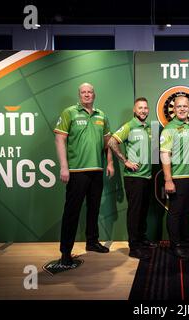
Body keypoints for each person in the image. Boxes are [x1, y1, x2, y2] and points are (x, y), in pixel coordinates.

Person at [54, 83, 114, 266]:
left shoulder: (101, 115)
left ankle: (92, 242)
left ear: (94, 95)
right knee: (71, 212)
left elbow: (108, 142)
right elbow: (59, 139)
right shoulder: (69, 112)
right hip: (76, 171)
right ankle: (65, 252)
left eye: (90, 92)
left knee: (94, 209)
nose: (87, 95)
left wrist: (110, 162)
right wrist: (64, 167)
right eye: (83, 92)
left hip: (96, 170)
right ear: (79, 95)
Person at [108, 97, 157, 260]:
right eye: (140, 108)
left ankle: (142, 240)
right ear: (134, 110)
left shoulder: (150, 128)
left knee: (143, 212)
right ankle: (134, 247)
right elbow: (112, 141)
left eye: (145, 108)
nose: (143, 110)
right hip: (134, 178)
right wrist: (125, 161)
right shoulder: (129, 126)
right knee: (135, 213)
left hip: (147, 177)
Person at [160, 95, 189, 260]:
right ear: (174, 109)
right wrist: (168, 180)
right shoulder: (169, 129)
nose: (182, 109)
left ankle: (185, 236)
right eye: (179, 106)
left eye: (185, 106)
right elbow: (165, 154)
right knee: (175, 213)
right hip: (177, 178)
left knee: (186, 211)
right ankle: (175, 244)